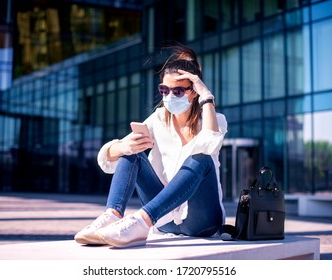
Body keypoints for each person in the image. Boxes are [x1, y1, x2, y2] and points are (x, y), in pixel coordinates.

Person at [74, 43, 228, 248]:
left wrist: (207, 97)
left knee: (201, 158)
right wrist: (124, 146)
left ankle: (140, 222)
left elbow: (210, 146)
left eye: (178, 91)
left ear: (193, 92)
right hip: (164, 221)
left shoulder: (215, 119)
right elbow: (108, 157)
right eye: (165, 90)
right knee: (133, 153)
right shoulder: (158, 119)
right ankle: (112, 215)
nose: (169, 96)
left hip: (201, 222)